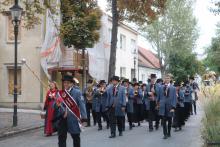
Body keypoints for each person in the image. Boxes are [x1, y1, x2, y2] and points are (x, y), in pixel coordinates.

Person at [55, 75, 87, 147]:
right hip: (62, 118)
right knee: (61, 138)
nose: (65, 84)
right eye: (64, 83)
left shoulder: (77, 92)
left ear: (72, 83)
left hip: (73, 118)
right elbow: (56, 106)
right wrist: (57, 104)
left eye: (68, 83)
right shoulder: (60, 93)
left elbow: (82, 106)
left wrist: (84, 118)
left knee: (75, 137)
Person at [157, 74, 176, 139]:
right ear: (164, 79)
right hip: (163, 106)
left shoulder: (173, 88)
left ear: (170, 79)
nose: (167, 79)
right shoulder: (161, 87)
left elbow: (174, 98)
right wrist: (158, 104)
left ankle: (169, 132)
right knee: (164, 121)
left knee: (170, 121)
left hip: (170, 107)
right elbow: (159, 97)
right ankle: (165, 134)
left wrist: (173, 107)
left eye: (168, 78)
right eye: (166, 78)